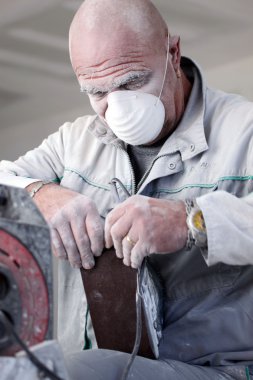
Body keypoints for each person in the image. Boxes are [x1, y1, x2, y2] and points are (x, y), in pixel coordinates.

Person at [1, 0, 253, 378]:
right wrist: (39, 193)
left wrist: (192, 221)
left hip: (215, 370)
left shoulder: (243, 131)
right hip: (94, 362)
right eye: (97, 92)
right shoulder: (74, 143)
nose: (117, 108)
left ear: (172, 51)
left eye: (133, 82)